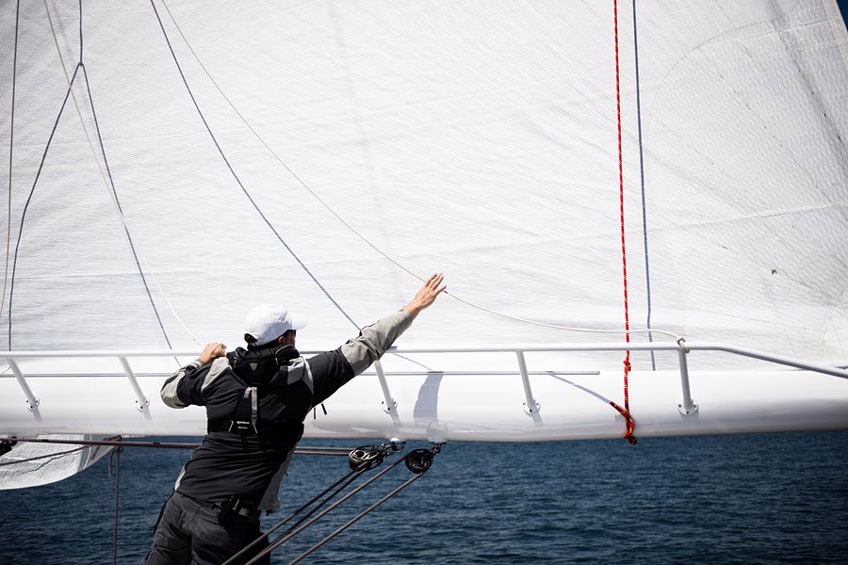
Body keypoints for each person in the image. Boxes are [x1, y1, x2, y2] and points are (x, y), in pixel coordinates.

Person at [144, 273, 446, 564]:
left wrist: (201, 360)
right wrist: (413, 307)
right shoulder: (305, 379)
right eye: (293, 333)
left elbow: (170, 393)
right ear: (284, 340)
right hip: (224, 523)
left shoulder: (216, 373)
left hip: (180, 504)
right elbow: (365, 346)